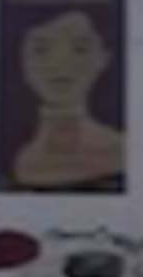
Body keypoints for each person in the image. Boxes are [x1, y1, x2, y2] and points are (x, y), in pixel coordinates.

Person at [12, 10, 124, 190]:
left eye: (79, 49)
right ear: (20, 59)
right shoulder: (15, 158)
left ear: (103, 58)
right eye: (41, 50)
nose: (60, 63)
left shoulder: (119, 149)